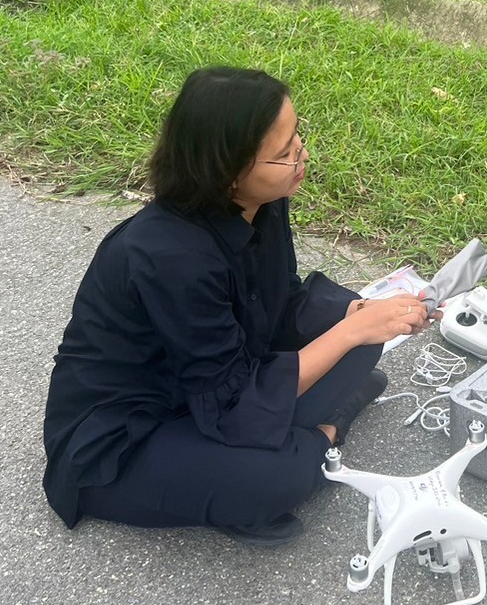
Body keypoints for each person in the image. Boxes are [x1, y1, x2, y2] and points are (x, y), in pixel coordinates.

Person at [43, 66, 432, 545]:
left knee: (365, 330)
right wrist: (348, 332)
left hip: (210, 385)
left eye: (298, 140)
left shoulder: (262, 202)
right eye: (285, 154)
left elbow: (275, 300)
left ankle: (300, 436)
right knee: (274, 477)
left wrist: (356, 318)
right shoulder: (169, 256)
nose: (302, 157)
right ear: (228, 174)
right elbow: (230, 402)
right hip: (127, 434)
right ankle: (321, 436)